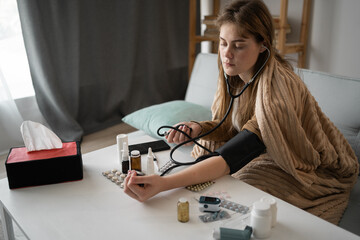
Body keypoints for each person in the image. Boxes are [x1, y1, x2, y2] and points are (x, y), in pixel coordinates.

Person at [124, 0, 358, 224]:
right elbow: (229, 126)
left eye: (239, 45)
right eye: (223, 43)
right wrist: (198, 128)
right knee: (206, 148)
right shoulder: (234, 74)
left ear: (263, 44)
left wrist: (164, 184)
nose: (227, 54)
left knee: (242, 179)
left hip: (311, 166)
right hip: (262, 145)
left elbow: (234, 154)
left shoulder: (277, 92)